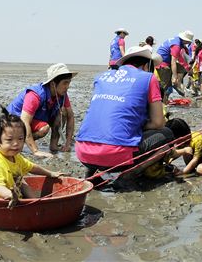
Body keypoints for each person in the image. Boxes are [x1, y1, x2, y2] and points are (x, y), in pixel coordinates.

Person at [75, 46, 175, 186]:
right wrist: (139, 125)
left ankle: (90, 174)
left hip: (82, 152)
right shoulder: (148, 78)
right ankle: (128, 175)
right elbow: (158, 122)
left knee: (104, 127)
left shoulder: (101, 77)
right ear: (146, 65)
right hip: (115, 157)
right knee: (167, 134)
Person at [0, 108, 64, 201]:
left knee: (20, 179)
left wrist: (50, 173)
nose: (16, 144)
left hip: (12, 188)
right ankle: (27, 201)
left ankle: (35, 200)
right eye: (9, 140)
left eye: (20, 139)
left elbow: (32, 167)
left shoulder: (15, 157)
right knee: (18, 180)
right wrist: (11, 195)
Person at [6, 63, 77, 158]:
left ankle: (54, 145)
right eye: (65, 83)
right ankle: (18, 141)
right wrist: (35, 151)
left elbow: (70, 116)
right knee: (44, 128)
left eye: (69, 82)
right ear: (53, 83)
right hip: (14, 121)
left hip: (35, 117)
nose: (67, 86)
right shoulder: (35, 95)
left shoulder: (62, 95)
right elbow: (24, 121)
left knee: (63, 112)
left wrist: (67, 143)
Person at [155, 30, 194, 102]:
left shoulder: (177, 41)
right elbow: (173, 62)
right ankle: (162, 104)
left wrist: (188, 68)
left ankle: (176, 84)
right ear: (186, 40)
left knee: (181, 68)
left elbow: (180, 59)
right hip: (162, 64)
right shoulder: (176, 45)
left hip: (166, 63)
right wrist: (175, 76)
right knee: (165, 87)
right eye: (189, 42)